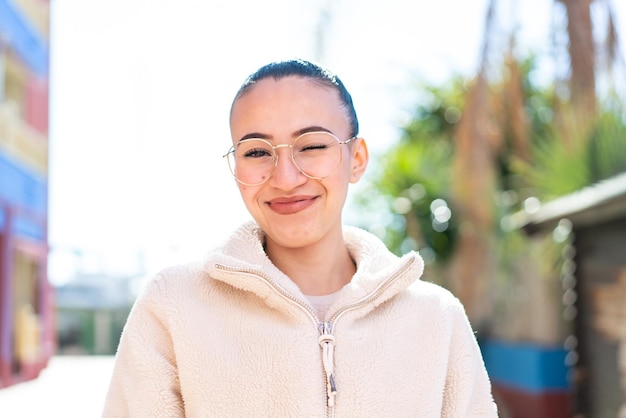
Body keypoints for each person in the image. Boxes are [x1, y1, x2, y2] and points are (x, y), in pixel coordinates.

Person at [102, 58, 498, 417]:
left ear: (356, 159)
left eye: (311, 145)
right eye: (256, 152)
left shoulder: (435, 318)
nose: (285, 178)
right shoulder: (174, 304)